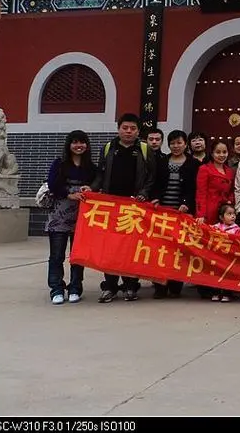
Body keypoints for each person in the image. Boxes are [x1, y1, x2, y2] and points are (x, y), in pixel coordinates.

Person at [91, 113, 157, 303]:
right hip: (111, 207)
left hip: (134, 208)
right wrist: (93, 189)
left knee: (131, 248)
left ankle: (130, 286)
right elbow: (100, 175)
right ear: (118, 128)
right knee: (110, 248)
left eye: (132, 129)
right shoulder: (108, 148)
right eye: (125, 128)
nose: (128, 132)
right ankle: (110, 286)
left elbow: (152, 176)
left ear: (138, 131)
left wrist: (144, 192)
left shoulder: (144, 149)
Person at [44, 130, 96, 304]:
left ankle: (75, 288)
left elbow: (98, 184)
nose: (78, 145)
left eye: (82, 142)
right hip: (59, 215)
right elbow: (52, 184)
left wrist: (91, 188)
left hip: (82, 217)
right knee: (57, 255)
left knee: (77, 255)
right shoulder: (59, 164)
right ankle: (56, 289)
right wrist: (69, 194)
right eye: (75, 142)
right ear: (69, 145)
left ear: (87, 145)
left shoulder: (91, 167)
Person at [149, 129, 200, 299]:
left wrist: (187, 204)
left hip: (181, 213)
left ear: (185, 144)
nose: (176, 146)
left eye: (179, 142)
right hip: (162, 212)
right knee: (160, 249)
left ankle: (176, 283)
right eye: (172, 143)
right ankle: (159, 286)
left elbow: (194, 189)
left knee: (179, 249)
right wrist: (155, 198)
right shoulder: (162, 161)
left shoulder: (193, 164)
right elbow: (155, 183)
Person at [195, 140, 236, 225]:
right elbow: (201, 193)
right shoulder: (204, 169)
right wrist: (201, 214)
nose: (221, 155)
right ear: (212, 153)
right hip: (209, 211)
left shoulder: (230, 171)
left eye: (224, 152)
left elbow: (231, 191)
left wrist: (230, 202)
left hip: (225, 212)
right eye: (218, 152)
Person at [209, 202, 240, 303]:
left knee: (228, 275)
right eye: (229, 214)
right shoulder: (215, 227)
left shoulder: (237, 230)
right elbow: (205, 231)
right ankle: (215, 292)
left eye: (234, 214)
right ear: (221, 217)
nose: (233, 216)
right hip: (217, 256)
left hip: (229, 258)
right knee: (216, 274)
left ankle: (227, 293)